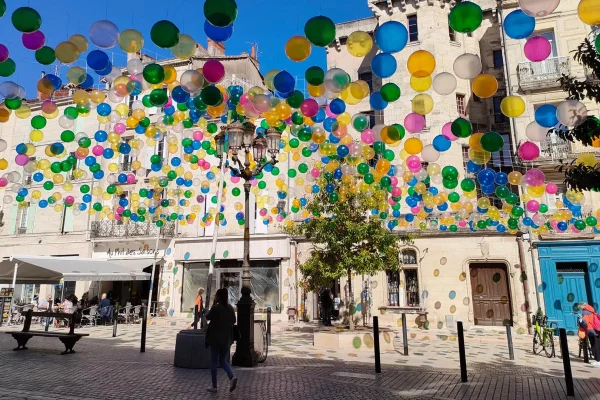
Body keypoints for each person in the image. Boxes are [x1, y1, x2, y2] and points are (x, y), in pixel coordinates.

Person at [205, 288, 238, 393]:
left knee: (214, 361)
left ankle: (214, 386)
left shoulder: (216, 308)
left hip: (215, 339)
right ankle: (231, 377)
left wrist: (213, 306)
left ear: (218, 297)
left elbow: (207, 317)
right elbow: (234, 320)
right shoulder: (230, 308)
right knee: (223, 360)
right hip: (226, 339)